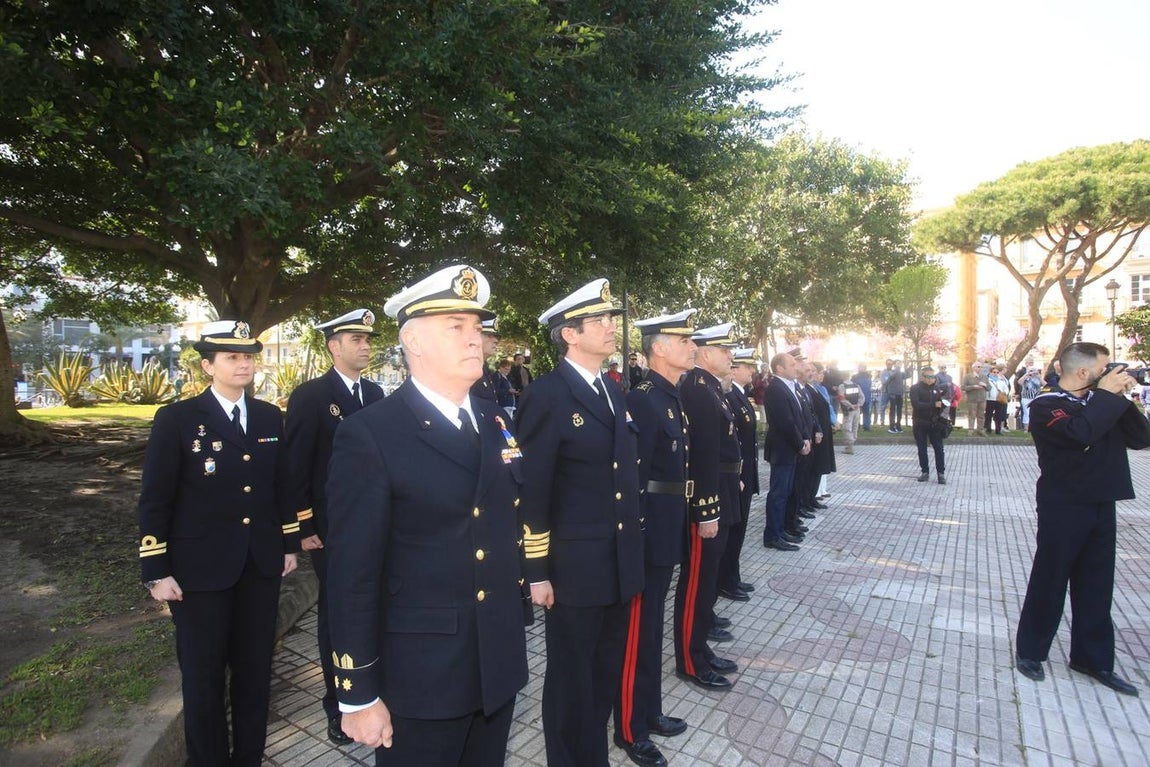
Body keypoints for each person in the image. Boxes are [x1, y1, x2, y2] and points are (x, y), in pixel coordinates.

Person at [324, 265, 529, 765]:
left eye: (476, 326)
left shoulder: (493, 419)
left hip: (495, 662)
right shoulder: (371, 434)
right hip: (421, 679)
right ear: (413, 342)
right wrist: (357, 692)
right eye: (455, 327)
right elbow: (352, 575)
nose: (474, 338)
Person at [138, 320, 300, 767]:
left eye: (248, 357)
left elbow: (281, 485)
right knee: (203, 677)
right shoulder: (178, 419)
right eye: (232, 357)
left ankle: (249, 758)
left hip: (259, 565)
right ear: (208, 366)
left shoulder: (268, 416)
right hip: (199, 570)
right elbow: (156, 497)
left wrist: (288, 543)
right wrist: (155, 569)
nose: (243, 364)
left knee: (254, 673)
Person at [515, 278, 644, 767]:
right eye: (600, 320)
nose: (612, 327)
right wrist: (537, 571)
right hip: (573, 567)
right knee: (571, 678)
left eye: (611, 319)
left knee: (604, 672)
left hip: (617, 560)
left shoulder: (612, 389)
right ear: (570, 334)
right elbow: (534, 489)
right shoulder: (547, 395)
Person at [1015, 342, 1150, 695]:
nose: (1110, 373)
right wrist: (1105, 397)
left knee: (1097, 584)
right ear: (1083, 372)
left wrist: (1122, 399)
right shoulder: (1047, 405)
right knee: (1051, 578)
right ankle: (1031, 651)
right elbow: (1081, 433)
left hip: (1102, 502)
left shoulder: (1103, 403)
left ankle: (1092, 659)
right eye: (1105, 368)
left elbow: (1142, 438)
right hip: (1063, 505)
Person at [284, 308, 385, 746]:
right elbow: (295, 466)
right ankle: (339, 704)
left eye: (368, 339)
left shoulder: (375, 393)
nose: (365, 346)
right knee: (337, 614)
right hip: (330, 527)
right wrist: (304, 523)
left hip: (375, 522)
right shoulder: (311, 396)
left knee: (374, 605)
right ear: (333, 347)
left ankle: (375, 688)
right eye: (355, 339)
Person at [613, 309, 697, 767]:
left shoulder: (671, 396)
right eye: (683, 341)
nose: (692, 347)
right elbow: (632, 477)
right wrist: (637, 533)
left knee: (652, 630)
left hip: (668, 526)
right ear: (659, 348)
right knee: (636, 635)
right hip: (648, 533)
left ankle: (650, 710)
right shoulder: (643, 399)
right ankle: (630, 727)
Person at [674, 323, 743, 692]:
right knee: (697, 583)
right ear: (705, 353)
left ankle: (700, 648)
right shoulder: (698, 389)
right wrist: (707, 509)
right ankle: (691, 659)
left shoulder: (712, 387)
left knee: (708, 580)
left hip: (723, 489)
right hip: (709, 497)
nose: (731, 355)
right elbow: (701, 456)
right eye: (724, 349)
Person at [718, 347, 760, 599]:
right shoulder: (730, 396)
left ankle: (733, 576)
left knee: (739, 531)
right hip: (737, 475)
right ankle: (727, 580)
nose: (752, 371)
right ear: (734, 371)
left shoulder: (740, 395)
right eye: (748, 367)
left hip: (744, 473)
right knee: (733, 532)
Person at [761, 351, 810, 552]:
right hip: (782, 449)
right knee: (778, 494)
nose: (795, 367)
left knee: (786, 492)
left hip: (790, 448)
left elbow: (799, 416)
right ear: (779, 368)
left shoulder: (788, 386)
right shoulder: (775, 388)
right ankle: (772, 535)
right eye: (791, 365)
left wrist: (805, 438)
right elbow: (786, 422)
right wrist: (800, 444)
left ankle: (781, 530)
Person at [909, 367, 949, 484]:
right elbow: (916, 404)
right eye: (929, 377)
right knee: (922, 448)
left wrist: (942, 406)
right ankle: (925, 472)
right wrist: (933, 404)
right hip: (920, 421)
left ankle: (941, 473)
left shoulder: (936, 388)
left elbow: (938, 404)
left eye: (933, 377)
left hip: (934, 423)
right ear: (922, 377)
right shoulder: (915, 388)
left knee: (939, 448)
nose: (931, 379)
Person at [470, 317, 501, 403]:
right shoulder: (465, 371)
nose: (495, 340)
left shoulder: (484, 368)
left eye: (495, 336)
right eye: (488, 335)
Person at [838, 372, 864, 454]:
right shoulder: (856, 385)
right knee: (855, 427)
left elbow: (842, 399)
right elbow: (862, 397)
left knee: (847, 427)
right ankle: (852, 443)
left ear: (842, 377)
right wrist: (858, 405)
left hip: (848, 410)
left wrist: (850, 405)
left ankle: (850, 446)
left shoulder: (842, 386)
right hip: (857, 409)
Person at [961, 364, 990, 433]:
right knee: (972, 415)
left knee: (981, 415)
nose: (980, 368)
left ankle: (980, 429)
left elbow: (989, 388)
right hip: (972, 399)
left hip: (982, 399)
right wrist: (973, 387)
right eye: (978, 367)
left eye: (981, 367)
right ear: (974, 368)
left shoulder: (984, 377)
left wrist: (985, 385)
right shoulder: (968, 377)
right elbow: (963, 387)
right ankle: (971, 429)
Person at [984, 366, 1010, 434]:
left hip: (999, 399)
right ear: (990, 372)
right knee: (988, 414)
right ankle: (988, 428)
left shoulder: (1001, 380)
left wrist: (1004, 393)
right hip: (990, 399)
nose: (995, 374)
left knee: (998, 415)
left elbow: (1006, 388)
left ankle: (998, 429)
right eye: (994, 372)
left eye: (997, 372)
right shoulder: (987, 380)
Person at [884, 362, 909, 433]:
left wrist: (907, 367)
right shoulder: (892, 371)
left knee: (899, 410)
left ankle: (898, 425)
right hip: (893, 394)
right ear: (894, 365)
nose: (900, 364)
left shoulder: (900, 372)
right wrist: (898, 368)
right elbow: (888, 380)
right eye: (898, 363)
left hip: (899, 394)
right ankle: (892, 427)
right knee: (893, 410)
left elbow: (908, 375)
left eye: (900, 363)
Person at [852, 364, 872, 431]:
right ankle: (857, 426)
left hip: (866, 396)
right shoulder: (855, 377)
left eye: (864, 367)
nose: (863, 369)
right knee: (857, 412)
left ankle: (866, 427)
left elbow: (869, 386)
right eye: (861, 367)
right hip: (858, 397)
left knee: (866, 412)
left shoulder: (869, 376)